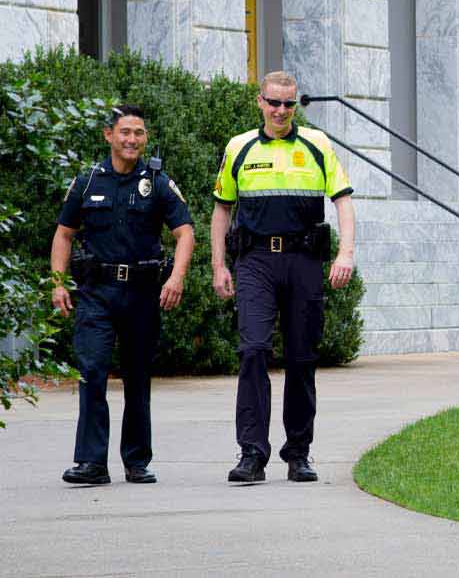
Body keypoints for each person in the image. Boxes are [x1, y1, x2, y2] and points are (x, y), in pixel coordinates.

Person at [210, 71, 355, 483]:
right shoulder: (239, 147)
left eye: (288, 104)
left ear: (296, 106)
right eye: (273, 103)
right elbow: (222, 209)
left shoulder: (317, 144)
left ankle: (298, 453)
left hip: (304, 262)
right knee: (253, 350)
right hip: (255, 262)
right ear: (260, 102)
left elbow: (343, 201)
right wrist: (219, 265)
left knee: (301, 358)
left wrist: (345, 253)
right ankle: (251, 454)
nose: (280, 111)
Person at [50, 105, 194, 485]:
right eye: (125, 132)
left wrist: (176, 278)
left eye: (139, 133)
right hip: (97, 293)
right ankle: (91, 463)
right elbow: (64, 233)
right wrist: (57, 283)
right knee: (93, 371)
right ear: (108, 135)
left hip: (143, 293)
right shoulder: (87, 181)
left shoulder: (158, 182)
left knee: (137, 377)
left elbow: (185, 233)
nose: (132, 139)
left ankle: (136, 461)